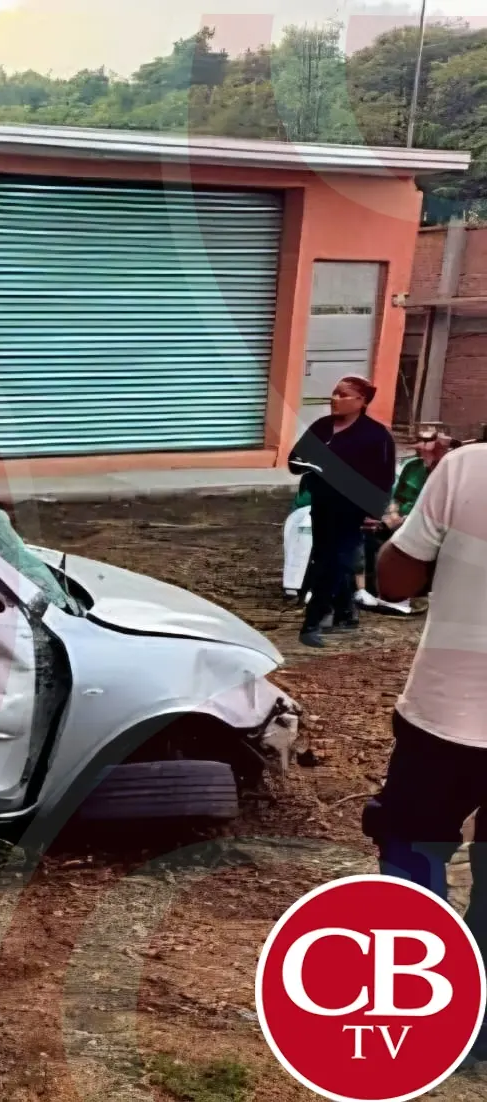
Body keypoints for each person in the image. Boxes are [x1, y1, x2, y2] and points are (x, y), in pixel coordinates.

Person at [367, 442, 487, 1060]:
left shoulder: (467, 466)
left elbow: (394, 581)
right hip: (449, 715)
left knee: (412, 846)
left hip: (450, 715)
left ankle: (421, 1007)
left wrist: (398, 530)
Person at [287, 375, 396, 647]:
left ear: (361, 401)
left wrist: (374, 512)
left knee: (333, 564)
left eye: (343, 395)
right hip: (323, 505)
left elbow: (383, 478)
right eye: (334, 393)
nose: (335, 399)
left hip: (354, 510)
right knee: (327, 558)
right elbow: (295, 459)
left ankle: (313, 622)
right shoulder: (322, 427)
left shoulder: (376, 435)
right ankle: (347, 614)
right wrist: (310, 466)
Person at [353, 427, 452, 615]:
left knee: (401, 540)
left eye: (427, 442)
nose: (421, 447)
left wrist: (404, 520)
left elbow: (439, 504)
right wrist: (393, 513)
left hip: (427, 521)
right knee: (369, 535)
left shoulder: (444, 469)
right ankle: (375, 589)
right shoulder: (412, 466)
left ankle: (402, 595)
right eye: (419, 441)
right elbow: (396, 497)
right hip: (400, 517)